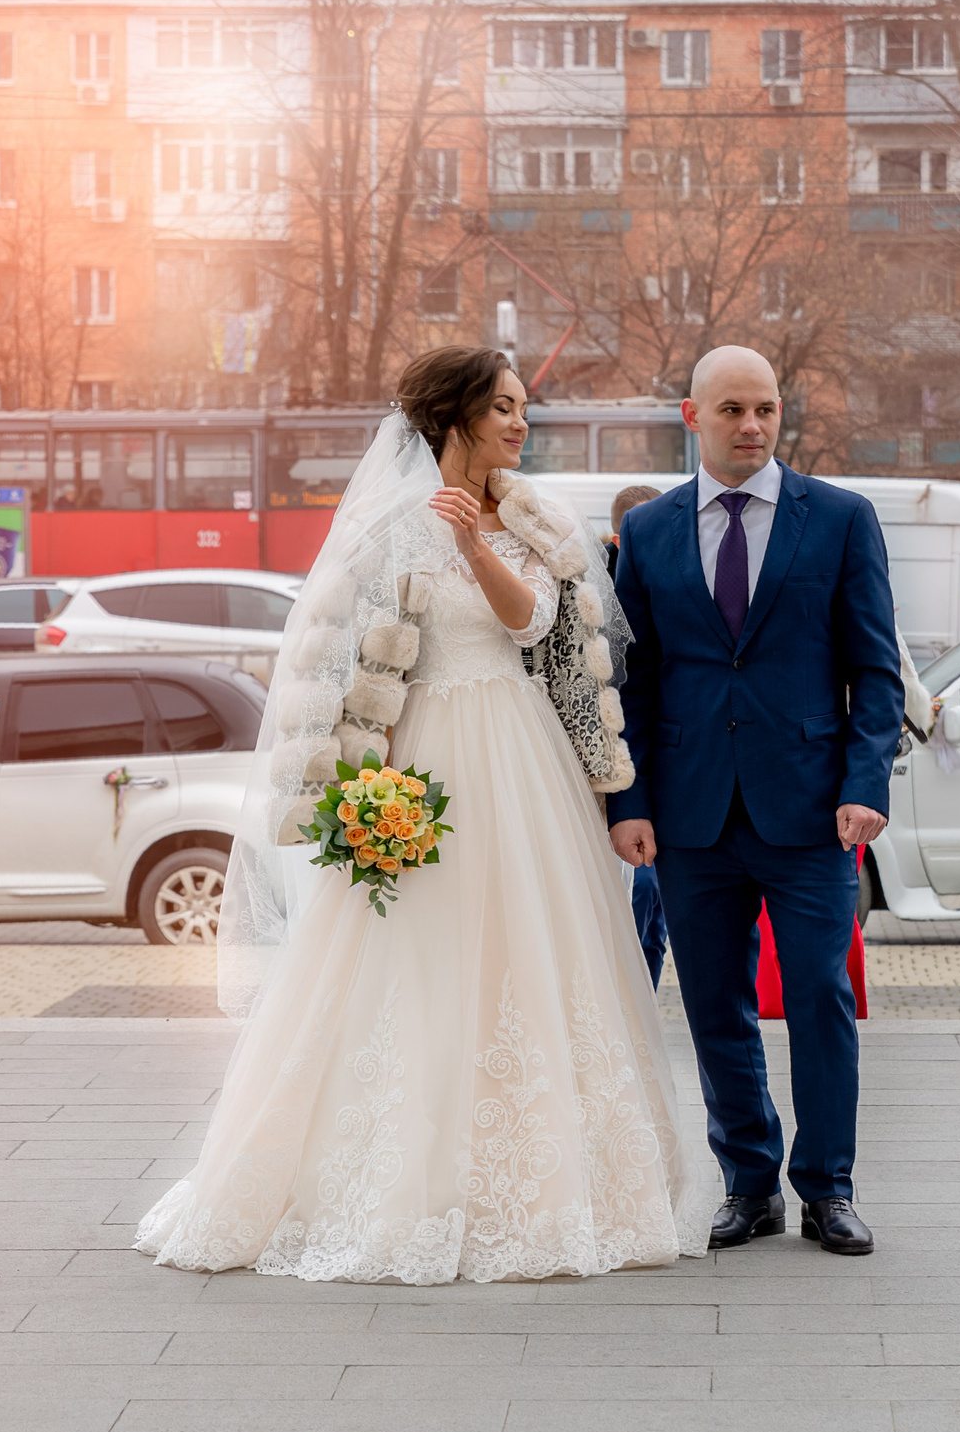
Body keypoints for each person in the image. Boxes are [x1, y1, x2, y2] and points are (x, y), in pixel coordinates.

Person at [135, 346, 718, 1284]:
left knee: (536, 951)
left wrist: (474, 544)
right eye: (506, 409)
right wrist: (345, 789)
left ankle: (552, 1184)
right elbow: (321, 674)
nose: (522, 425)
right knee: (411, 960)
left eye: (525, 408)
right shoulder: (382, 531)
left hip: (524, 758)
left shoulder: (534, 517)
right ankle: (384, 1179)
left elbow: (536, 627)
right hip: (420, 764)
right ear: (455, 419)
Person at [608, 345, 905, 1257]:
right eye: (732, 409)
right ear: (692, 416)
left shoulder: (843, 519)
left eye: (767, 409)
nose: (753, 425)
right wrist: (630, 801)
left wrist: (864, 785)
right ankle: (748, 1182)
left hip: (814, 811)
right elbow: (633, 680)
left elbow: (876, 670)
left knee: (818, 996)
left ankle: (828, 1187)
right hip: (692, 818)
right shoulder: (651, 530)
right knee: (713, 1004)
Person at [606, 483, 670, 989]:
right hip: (614, 763)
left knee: (653, 908)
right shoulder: (595, 591)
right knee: (635, 894)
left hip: (663, 766)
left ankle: (643, 995)